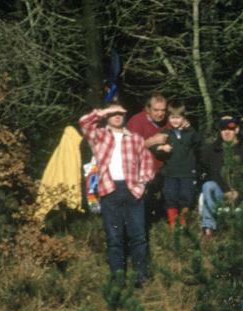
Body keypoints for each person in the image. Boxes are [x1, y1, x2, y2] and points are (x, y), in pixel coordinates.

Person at [79, 102, 155, 285]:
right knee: (114, 238)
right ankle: (118, 278)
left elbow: (147, 162)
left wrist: (142, 183)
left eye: (121, 112)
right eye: (113, 113)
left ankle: (140, 275)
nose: (117, 115)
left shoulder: (135, 138)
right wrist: (103, 110)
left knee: (138, 236)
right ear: (107, 116)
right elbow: (84, 123)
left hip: (132, 190)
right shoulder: (98, 136)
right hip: (109, 190)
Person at [198, 115, 243, 238]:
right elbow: (204, 175)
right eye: (223, 129)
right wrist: (226, 192)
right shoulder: (210, 151)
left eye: (230, 129)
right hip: (221, 197)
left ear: (237, 130)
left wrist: (240, 192)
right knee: (208, 185)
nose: (226, 132)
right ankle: (208, 229)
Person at [127, 93, 169, 223]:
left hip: (163, 168)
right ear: (148, 109)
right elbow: (130, 149)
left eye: (163, 110)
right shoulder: (136, 121)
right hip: (141, 170)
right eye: (156, 110)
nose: (160, 114)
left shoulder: (168, 121)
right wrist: (152, 141)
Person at [157, 99, 199, 228]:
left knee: (186, 196)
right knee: (170, 196)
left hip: (187, 172)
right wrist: (161, 148)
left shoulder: (190, 132)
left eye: (178, 117)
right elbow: (155, 147)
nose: (175, 120)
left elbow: (198, 143)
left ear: (184, 118)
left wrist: (190, 128)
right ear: (168, 118)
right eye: (172, 117)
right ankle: (173, 223)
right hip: (170, 172)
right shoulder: (165, 132)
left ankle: (183, 221)